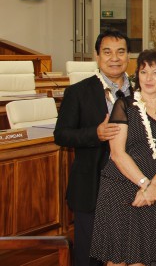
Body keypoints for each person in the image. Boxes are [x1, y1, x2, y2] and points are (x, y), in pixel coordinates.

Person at [90, 49, 156, 265]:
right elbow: (117, 153)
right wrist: (144, 184)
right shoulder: (124, 106)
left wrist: (152, 188)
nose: (149, 78)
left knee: (142, 258)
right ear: (137, 76)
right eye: (143, 72)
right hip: (120, 189)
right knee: (118, 260)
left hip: (153, 192)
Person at [54, 29, 131, 266]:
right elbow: (62, 135)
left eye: (121, 51)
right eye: (107, 52)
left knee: (129, 253)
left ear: (128, 55)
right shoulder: (77, 92)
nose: (114, 58)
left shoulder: (141, 91)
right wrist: (95, 133)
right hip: (91, 187)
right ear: (97, 56)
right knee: (90, 255)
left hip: (131, 185)